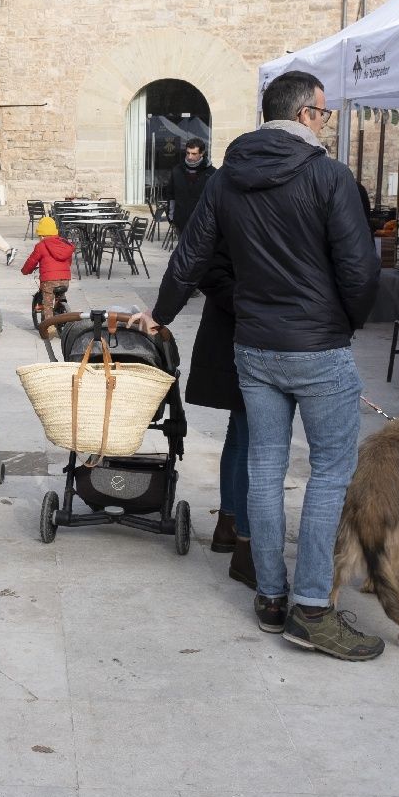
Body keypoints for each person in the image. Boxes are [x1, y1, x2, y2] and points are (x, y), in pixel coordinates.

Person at [137, 70, 381, 661]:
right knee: (327, 475)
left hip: (256, 346)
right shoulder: (329, 175)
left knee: (266, 470)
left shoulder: (228, 179)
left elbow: (189, 256)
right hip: (316, 347)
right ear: (303, 116)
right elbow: (360, 270)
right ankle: (314, 608)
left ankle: (272, 597)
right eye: (323, 113)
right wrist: (344, 322)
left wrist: (161, 313)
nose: (325, 122)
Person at [149, 226, 252, 576]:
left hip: (248, 331)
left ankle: (230, 523)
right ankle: (241, 534)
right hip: (240, 333)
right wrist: (254, 303)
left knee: (242, 434)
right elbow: (202, 266)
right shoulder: (232, 200)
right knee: (249, 438)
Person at [20, 215, 74, 320]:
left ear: (42, 235)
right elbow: (69, 261)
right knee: (60, 296)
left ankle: (49, 327)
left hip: (49, 281)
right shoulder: (64, 244)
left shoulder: (41, 246)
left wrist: (25, 271)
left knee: (47, 305)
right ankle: (63, 311)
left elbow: (32, 261)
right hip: (65, 280)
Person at [166, 137, 215, 234]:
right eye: (188, 153)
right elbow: (171, 196)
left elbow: (215, 200)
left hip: (203, 224)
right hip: (181, 223)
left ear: (202, 153)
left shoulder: (212, 173)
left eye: (194, 154)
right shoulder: (177, 171)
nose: (190, 157)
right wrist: (171, 218)